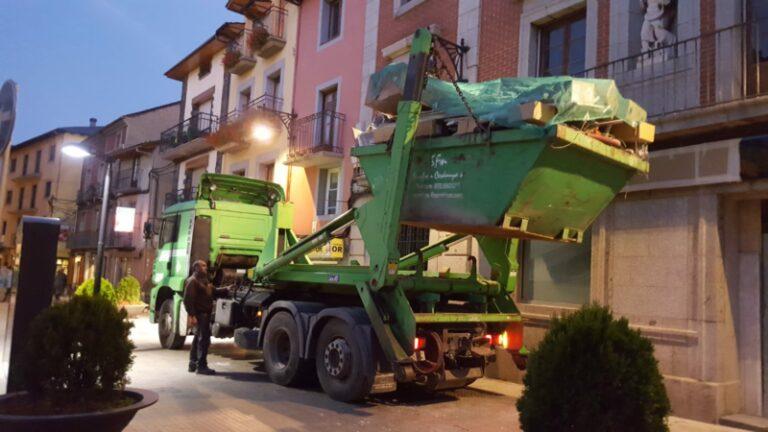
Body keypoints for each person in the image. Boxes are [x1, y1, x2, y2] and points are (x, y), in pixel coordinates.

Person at [183, 260, 217, 375]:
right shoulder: (192, 281)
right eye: (203, 266)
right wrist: (192, 315)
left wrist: (227, 289)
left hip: (204, 315)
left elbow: (214, 291)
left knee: (198, 338)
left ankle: (192, 364)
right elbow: (188, 300)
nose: (206, 268)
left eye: (205, 266)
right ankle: (201, 366)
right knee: (203, 340)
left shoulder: (203, 281)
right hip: (200, 314)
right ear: (196, 268)